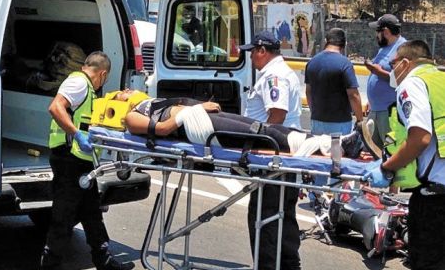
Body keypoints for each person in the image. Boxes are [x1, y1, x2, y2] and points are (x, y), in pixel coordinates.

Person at [361, 40, 445, 270]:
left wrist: (387, 168)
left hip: (436, 198)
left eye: (393, 63)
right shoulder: (440, 81)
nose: (391, 69)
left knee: (430, 269)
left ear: (405, 63)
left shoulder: (413, 83)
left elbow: (420, 137)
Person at [40, 51, 134, 270]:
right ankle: (51, 268)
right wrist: (76, 134)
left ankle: (104, 262)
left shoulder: (88, 89)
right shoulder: (79, 83)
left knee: (92, 211)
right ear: (102, 74)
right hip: (68, 158)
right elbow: (56, 107)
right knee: (64, 213)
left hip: (80, 161)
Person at [240, 31, 303, 270]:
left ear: (262, 51)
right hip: (285, 149)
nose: (251, 57)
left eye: (252, 52)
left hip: (273, 151)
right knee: (283, 212)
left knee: (264, 212)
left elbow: (277, 115)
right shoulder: (283, 72)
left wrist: (258, 144)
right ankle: (289, 269)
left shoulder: (273, 76)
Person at [120, 94, 364, 159]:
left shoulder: (149, 101)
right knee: (261, 134)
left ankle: (335, 143)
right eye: (122, 92)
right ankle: (336, 147)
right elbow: (163, 129)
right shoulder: (132, 116)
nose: (126, 90)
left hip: (200, 118)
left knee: (263, 128)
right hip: (197, 127)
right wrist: (196, 109)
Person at [305, 28, 364, 136]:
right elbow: (353, 95)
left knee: (317, 147)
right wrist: (360, 120)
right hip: (340, 123)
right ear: (344, 44)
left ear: (326, 41)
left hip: (316, 122)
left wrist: (314, 112)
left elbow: (308, 91)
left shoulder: (311, 62)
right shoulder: (345, 64)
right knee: (338, 148)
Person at [364, 14, 407, 149]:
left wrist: (378, 72)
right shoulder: (384, 48)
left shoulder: (403, 49)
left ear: (386, 32)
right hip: (376, 110)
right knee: (372, 151)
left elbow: (403, 80)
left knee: (390, 149)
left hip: (389, 114)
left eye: (378, 31)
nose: (376, 35)